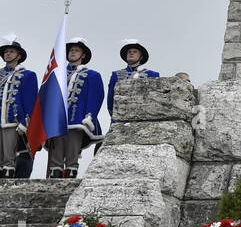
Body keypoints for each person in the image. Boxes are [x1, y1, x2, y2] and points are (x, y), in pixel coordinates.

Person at [45, 37, 104, 178]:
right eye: (71, 50)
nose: (73, 52)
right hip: (57, 116)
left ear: (83, 55)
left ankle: (71, 169)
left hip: (77, 117)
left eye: (76, 50)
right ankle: (56, 169)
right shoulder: (56, 73)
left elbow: (95, 97)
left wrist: (90, 116)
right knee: (57, 145)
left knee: (73, 146)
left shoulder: (92, 75)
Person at [0, 35, 38, 178]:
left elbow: (30, 100)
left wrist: (25, 122)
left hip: (13, 120)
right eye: (6, 52)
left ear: (19, 55)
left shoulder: (27, 75)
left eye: (11, 51)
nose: (7, 54)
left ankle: (8, 179)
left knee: (9, 155)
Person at [107, 39, 160, 115]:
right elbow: (110, 100)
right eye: (129, 52)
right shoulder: (116, 74)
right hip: (121, 115)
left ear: (141, 56)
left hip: (143, 115)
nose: (131, 53)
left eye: (135, 52)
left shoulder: (152, 75)